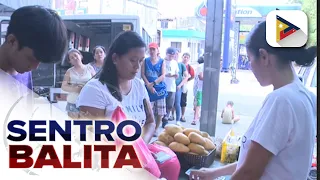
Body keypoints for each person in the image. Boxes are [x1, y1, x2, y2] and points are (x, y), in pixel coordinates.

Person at [190, 21, 317, 180]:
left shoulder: (281, 100)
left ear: (264, 56)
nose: (250, 66)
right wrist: (214, 173)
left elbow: (249, 173)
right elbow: (256, 161)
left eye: (250, 58)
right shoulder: (306, 96)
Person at [76, 31, 156, 144]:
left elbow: (150, 122)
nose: (137, 67)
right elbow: (92, 136)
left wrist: (141, 146)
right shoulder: (95, 90)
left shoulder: (139, 85)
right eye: (132, 60)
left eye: (141, 60)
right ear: (115, 58)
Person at [61, 49, 95, 118]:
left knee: (85, 127)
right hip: (73, 102)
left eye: (76, 55)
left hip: (87, 103)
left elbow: (96, 84)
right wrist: (75, 89)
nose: (74, 58)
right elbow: (63, 86)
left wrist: (86, 88)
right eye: (72, 58)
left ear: (80, 56)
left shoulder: (90, 68)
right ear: (70, 61)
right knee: (73, 127)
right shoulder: (69, 71)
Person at [141, 42, 166, 136]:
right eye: (150, 49)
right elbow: (143, 73)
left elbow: (163, 75)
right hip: (147, 89)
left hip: (159, 89)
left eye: (153, 49)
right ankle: (147, 128)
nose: (151, 51)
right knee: (147, 110)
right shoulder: (145, 60)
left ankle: (156, 129)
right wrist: (148, 85)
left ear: (157, 50)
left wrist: (153, 84)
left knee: (160, 112)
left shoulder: (162, 61)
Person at [162, 47, 179, 127]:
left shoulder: (175, 63)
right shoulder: (162, 61)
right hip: (163, 86)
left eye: (173, 55)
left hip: (172, 86)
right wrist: (166, 75)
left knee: (170, 105)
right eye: (170, 55)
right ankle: (162, 118)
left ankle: (166, 117)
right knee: (162, 104)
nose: (171, 57)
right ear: (166, 54)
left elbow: (177, 74)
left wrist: (176, 75)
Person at [173, 55, 188, 126]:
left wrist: (180, 85)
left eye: (176, 55)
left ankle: (178, 119)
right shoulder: (166, 63)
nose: (175, 56)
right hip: (169, 87)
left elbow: (187, 76)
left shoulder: (181, 65)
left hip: (177, 87)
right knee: (168, 104)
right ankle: (166, 119)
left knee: (177, 103)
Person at [180, 52, 195, 122]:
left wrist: (187, 80)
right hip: (177, 84)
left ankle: (182, 115)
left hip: (184, 86)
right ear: (182, 57)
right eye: (184, 57)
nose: (185, 58)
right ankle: (172, 115)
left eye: (187, 57)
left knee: (183, 100)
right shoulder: (178, 64)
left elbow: (193, 75)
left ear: (189, 59)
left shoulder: (189, 67)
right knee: (174, 101)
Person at [192, 55, 204, 125]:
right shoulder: (201, 66)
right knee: (198, 104)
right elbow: (200, 77)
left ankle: (196, 118)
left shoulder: (200, 66)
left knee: (197, 104)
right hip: (200, 89)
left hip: (199, 88)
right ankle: (195, 118)